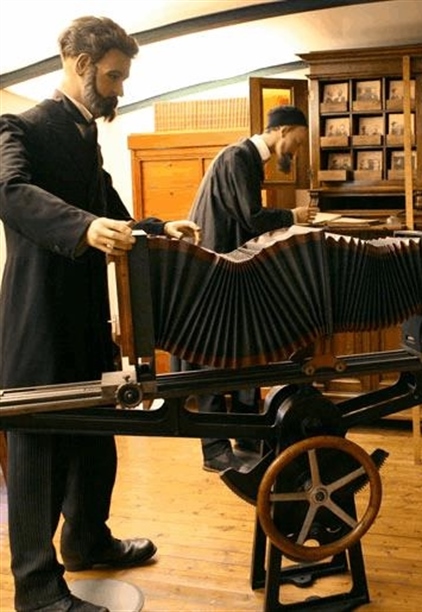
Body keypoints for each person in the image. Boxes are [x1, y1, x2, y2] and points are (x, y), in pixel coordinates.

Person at [0, 16, 203, 612]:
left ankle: (87, 540)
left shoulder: (85, 136)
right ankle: (37, 591)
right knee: (38, 454)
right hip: (38, 322)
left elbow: (110, 208)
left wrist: (158, 228)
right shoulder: (22, 126)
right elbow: (10, 193)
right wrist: (85, 227)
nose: (119, 89)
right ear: (80, 64)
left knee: (94, 438)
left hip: (86, 321)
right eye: (113, 77)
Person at [172, 105, 314, 473]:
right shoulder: (238, 157)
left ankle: (247, 436)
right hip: (215, 274)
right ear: (282, 130)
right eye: (296, 143)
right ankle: (215, 450)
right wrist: (292, 217)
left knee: (245, 351)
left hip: (229, 272)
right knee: (215, 358)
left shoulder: (246, 160)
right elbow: (251, 217)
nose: (295, 152)